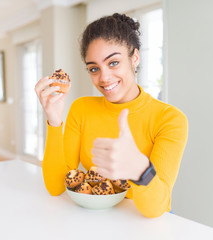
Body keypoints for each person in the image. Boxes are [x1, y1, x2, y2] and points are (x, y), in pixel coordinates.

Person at [34, 13, 188, 218]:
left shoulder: (170, 119)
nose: (104, 78)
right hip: (96, 219)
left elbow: (155, 209)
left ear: (134, 58)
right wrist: (54, 121)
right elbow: (56, 187)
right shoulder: (81, 109)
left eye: (113, 62)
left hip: (145, 224)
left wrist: (140, 169)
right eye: (94, 68)